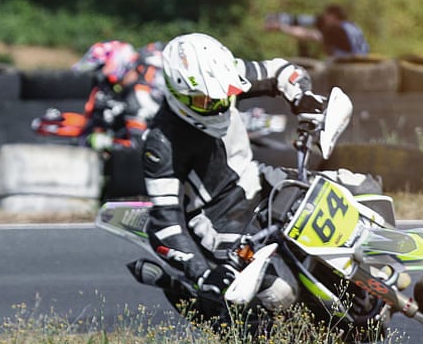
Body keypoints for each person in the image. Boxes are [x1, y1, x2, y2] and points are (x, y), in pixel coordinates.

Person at [133, 32, 322, 314]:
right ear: (178, 93)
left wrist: (302, 97)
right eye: (204, 100)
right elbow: (165, 222)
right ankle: (282, 335)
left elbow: (282, 71)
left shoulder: (225, 76)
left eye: (223, 96)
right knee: (280, 291)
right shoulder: (161, 143)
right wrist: (200, 273)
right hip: (219, 220)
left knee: (337, 189)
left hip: (257, 179)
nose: (217, 105)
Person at [265, 4, 369, 58]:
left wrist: (282, 27)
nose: (324, 20)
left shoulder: (336, 30)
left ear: (332, 16)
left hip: (348, 66)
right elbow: (307, 20)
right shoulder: (352, 26)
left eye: (326, 17)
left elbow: (309, 35)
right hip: (362, 61)